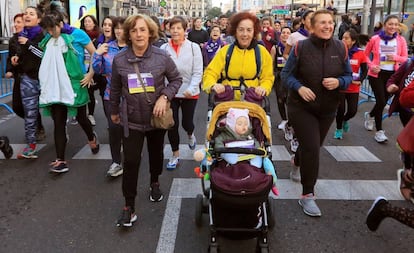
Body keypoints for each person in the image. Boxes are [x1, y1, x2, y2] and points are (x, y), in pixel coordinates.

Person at [110, 14, 182, 227]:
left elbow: (176, 79)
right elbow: (114, 87)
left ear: (150, 33)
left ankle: (154, 181)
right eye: (134, 30)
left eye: (142, 30)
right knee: (131, 161)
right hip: (130, 119)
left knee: (156, 154)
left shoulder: (162, 57)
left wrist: (165, 96)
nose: (138, 34)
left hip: (155, 118)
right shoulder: (120, 59)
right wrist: (114, 109)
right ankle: (128, 206)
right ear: (128, 35)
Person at [280, 9, 352, 217]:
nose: (328, 26)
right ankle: (308, 195)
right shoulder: (300, 47)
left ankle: (296, 161)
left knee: (311, 146)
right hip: (301, 107)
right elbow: (286, 75)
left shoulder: (341, 47)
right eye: (322, 22)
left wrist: (339, 82)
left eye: (330, 22)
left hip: (328, 108)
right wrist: (299, 87)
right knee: (312, 147)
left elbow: (349, 75)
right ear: (312, 26)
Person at [37, 9, 92, 173]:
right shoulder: (48, 40)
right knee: (59, 122)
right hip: (55, 86)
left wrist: (90, 74)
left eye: (52, 28)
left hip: (76, 84)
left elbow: (95, 54)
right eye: (47, 29)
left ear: (61, 24)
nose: (50, 32)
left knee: (82, 117)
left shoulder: (78, 34)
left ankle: (91, 137)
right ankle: (61, 160)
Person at [160, 16, 203, 170]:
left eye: (179, 28)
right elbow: (160, 72)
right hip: (170, 92)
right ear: (168, 30)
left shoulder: (193, 48)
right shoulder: (164, 49)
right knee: (172, 125)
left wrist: (191, 89)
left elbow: (198, 72)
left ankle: (191, 135)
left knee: (186, 123)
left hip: (189, 92)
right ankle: (175, 155)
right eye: (173, 28)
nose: (176, 31)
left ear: (185, 30)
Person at [202, 11, 274, 101]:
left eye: (249, 30)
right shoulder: (225, 51)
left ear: (254, 32)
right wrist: (213, 85)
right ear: (235, 31)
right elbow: (210, 73)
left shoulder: (262, 52)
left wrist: (264, 87)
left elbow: (268, 77)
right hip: (227, 101)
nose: (244, 34)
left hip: (252, 100)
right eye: (241, 29)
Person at [363, 15, 408, 143]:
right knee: (382, 102)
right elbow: (365, 55)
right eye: (390, 24)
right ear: (384, 24)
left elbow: (405, 58)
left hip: (393, 76)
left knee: (382, 101)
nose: (393, 27)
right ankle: (379, 132)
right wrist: (371, 66)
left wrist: (395, 57)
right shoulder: (375, 39)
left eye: (395, 24)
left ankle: (370, 115)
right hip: (376, 74)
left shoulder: (401, 40)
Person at [92, 16, 127, 177]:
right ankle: (116, 162)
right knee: (113, 128)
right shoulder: (107, 47)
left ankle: (130, 157)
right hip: (110, 95)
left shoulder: (134, 48)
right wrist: (97, 54)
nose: (119, 30)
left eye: (122, 27)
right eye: (116, 27)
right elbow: (98, 70)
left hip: (131, 97)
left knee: (129, 129)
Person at [14, 6, 45, 159]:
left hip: (46, 79)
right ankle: (31, 145)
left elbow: (43, 54)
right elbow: (22, 54)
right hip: (28, 79)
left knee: (57, 113)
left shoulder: (43, 35)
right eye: (25, 13)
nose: (27, 16)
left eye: (31, 14)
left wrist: (28, 44)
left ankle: (63, 138)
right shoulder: (22, 35)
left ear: (38, 19)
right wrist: (16, 59)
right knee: (30, 113)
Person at [386, 58, 414, 202]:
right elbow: (393, 79)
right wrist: (391, 86)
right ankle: (407, 174)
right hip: (407, 110)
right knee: (410, 144)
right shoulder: (410, 63)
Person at [334, 29, 368, 139]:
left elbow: (365, 70)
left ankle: (345, 120)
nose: (343, 40)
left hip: (354, 86)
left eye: (346, 38)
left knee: (352, 111)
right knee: (341, 109)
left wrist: (360, 80)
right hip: (340, 85)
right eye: (342, 37)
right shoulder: (338, 51)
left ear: (353, 41)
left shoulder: (360, 53)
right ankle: (338, 129)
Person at [80, 14, 101, 126]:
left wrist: (91, 73)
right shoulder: (79, 36)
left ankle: (91, 114)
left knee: (91, 92)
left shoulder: (99, 37)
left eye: (89, 21)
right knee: (85, 91)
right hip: (82, 68)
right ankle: (82, 115)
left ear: (94, 24)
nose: (87, 24)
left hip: (95, 70)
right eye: (85, 22)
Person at [270, 26, 292, 131]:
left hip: (291, 76)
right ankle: (284, 119)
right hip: (279, 76)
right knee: (280, 99)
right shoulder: (275, 47)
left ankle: (291, 121)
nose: (285, 35)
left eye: (288, 33)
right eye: (283, 32)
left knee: (290, 99)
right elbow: (271, 63)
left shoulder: (294, 47)